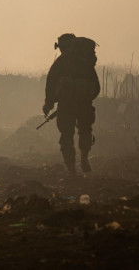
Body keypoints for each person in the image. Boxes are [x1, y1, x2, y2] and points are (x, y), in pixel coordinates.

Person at [43, 33, 100, 175]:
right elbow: (96, 86)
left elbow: (50, 85)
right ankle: (84, 158)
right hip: (85, 105)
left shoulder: (60, 63)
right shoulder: (86, 63)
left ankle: (71, 168)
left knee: (66, 136)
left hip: (66, 106)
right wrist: (86, 98)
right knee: (85, 131)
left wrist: (48, 104)